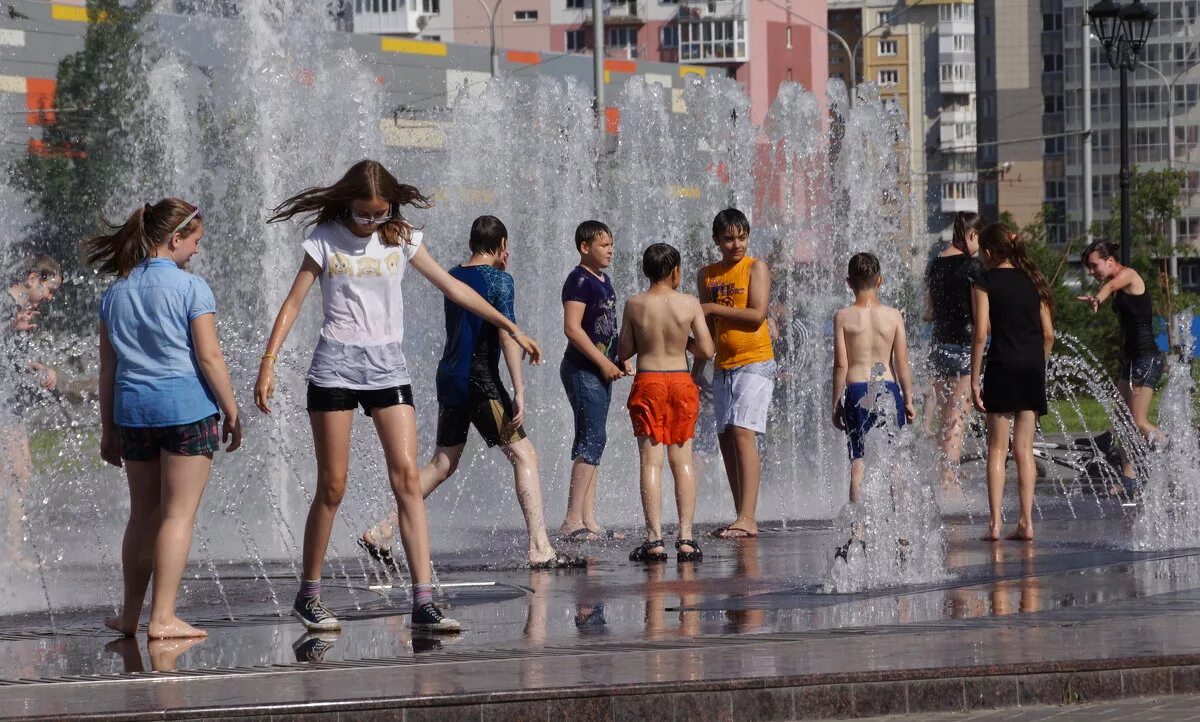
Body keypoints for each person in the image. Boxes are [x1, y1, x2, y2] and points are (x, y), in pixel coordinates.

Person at [254, 160, 542, 635]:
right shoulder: (325, 238)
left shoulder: (402, 236)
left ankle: (424, 602)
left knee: (408, 479)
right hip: (336, 369)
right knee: (333, 486)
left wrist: (512, 326)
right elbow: (294, 300)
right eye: (364, 215)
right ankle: (309, 595)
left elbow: (453, 288)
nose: (372, 223)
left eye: (380, 213)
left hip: (388, 368)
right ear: (348, 204)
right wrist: (269, 362)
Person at [358, 215, 582, 569]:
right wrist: (519, 389)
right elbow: (506, 334)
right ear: (503, 246)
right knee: (524, 456)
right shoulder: (500, 280)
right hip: (479, 378)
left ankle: (383, 529)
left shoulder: (453, 274)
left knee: (443, 463)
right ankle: (540, 547)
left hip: (448, 376)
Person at [89, 199, 242, 639]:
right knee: (177, 516)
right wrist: (231, 410)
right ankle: (163, 618)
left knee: (142, 516)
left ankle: (129, 616)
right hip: (186, 412)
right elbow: (209, 358)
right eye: (194, 242)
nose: (196, 251)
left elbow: (108, 371)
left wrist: (107, 428)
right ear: (175, 238)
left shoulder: (115, 292)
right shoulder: (192, 289)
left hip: (133, 414)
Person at [617, 243, 714, 563]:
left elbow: (624, 350)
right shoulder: (689, 304)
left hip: (648, 382)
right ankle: (686, 537)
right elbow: (706, 350)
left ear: (646, 271)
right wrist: (680, 340)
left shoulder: (634, 304)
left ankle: (654, 538)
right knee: (682, 461)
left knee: (650, 463)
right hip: (680, 382)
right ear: (676, 272)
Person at [970, 224, 1055, 542]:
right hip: (1032, 367)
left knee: (996, 448)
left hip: (1001, 366)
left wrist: (974, 380)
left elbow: (980, 334)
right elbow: (1049, 334)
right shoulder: (1034, 280)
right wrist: (1039, 363)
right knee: (1024, 450)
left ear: (990, 253)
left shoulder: (985, 282)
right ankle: (1026, 522)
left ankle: (994, 524)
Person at [695, 209, 774, 540]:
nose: (736, 244)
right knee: (726, 437)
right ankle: (740, 514)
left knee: (743, 433)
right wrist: (698, 365)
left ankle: (748, 517)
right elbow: (706, 327)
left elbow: (757, 315)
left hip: (754, 360)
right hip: (723, 365)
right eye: (728, 239)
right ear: (716, 240)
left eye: (742, 237)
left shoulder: (756, 268)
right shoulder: (706, 275)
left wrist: (713, 308)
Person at [556, 220, 629, 542]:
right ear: (585, 248)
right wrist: (601, 361)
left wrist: (618, 359)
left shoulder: (604, 279)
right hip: (583, 370)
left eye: (611, 243)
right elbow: (572, 328)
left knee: (595, 439)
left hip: (600, 369)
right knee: (592, 438)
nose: (610, 250)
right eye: (603, 245)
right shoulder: (579, 280)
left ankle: (589, 518)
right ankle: (572, 519)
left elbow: (606, 327)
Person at [1077, 239, 1165, 494]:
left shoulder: (1129, 275)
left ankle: (1177, 448)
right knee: (1123, 420)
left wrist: (1098, 298)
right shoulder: (1118, 283)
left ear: (1110, 261)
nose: (1093, 273)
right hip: (1130, 359)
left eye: (1095, 267)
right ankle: (1128, 480)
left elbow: (1111, 284)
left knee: (1138, 421)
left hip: (1146, 358)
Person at [831, 252, 916, 503]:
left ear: (849, 283)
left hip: (857, 390)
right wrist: (909, 398)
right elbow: (901, 362)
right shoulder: (893, 316)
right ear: (880, 280)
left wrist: (836, 403)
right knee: (895, 463)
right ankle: (901, 528)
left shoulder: (843, 317)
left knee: (858, 461)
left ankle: (858, 531)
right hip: (889, 388)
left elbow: (840, 365)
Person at [1, 254, 63, 564]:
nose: (50, 297)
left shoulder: (26, 311)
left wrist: (41, 370)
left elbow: (14, 362)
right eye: (49, 289)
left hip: (11, 407)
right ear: (33, 279)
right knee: (13, 475)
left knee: (20, 474)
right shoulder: (4, 301)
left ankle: (12, 552)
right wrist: (10, 327)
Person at [924, 212, 985, 489]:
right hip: (964, 347)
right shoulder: (973, 267)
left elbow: (928, 313)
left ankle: (942, 475)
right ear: (972, 235)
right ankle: (949, 481)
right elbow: (978, 314)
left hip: (938, 347)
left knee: (944, 418)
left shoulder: (934, 264)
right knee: (957, 417)